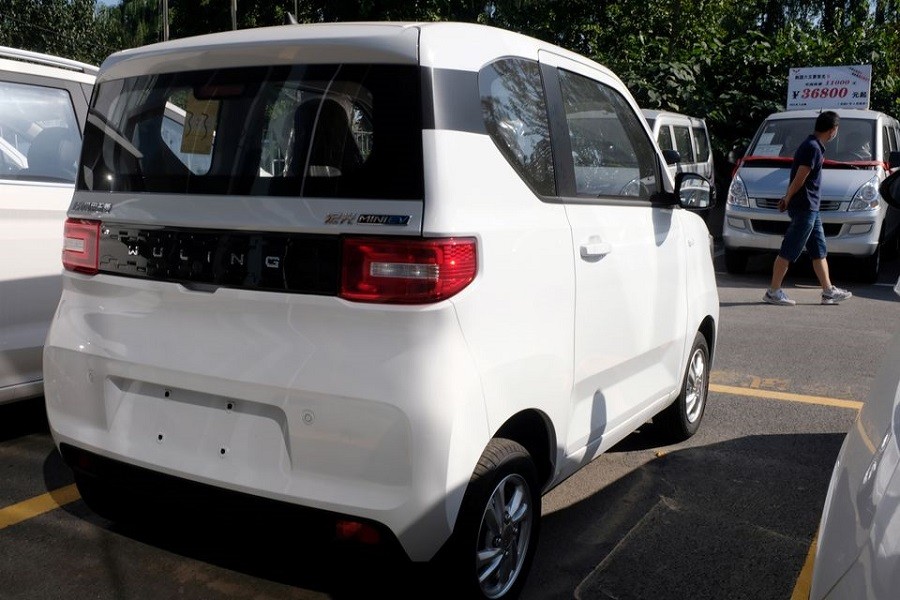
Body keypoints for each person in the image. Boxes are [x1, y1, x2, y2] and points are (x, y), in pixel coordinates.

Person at [764, 110, 852, 306]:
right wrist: (788, 198)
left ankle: (828, 291)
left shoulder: (813, 145)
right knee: (789, 249)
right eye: (836, 129)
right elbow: (800, 176)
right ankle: (773, 291)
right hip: (805, 207)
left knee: (819, 250)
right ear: (832, 130)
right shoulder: (812, 147)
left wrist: (788, 197)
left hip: (811, 207)